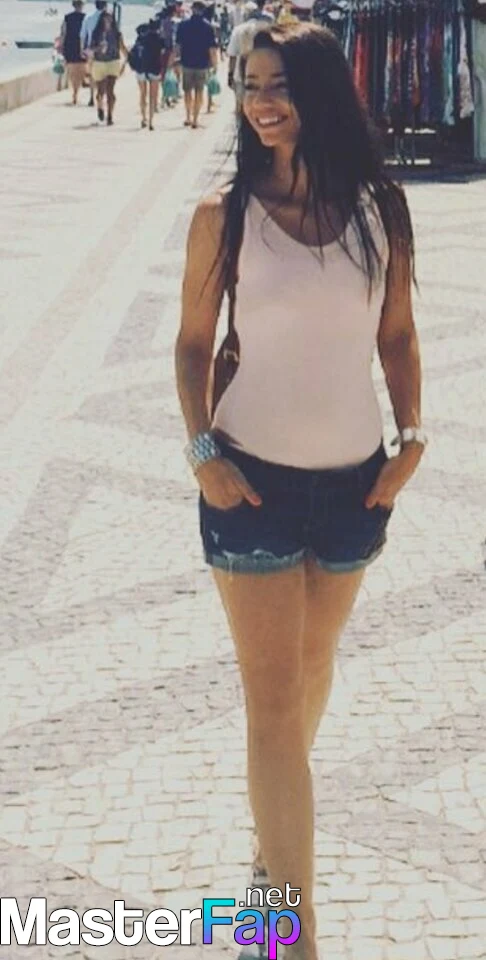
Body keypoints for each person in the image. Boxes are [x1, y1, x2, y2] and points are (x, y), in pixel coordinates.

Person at [175, 21, 426, 960]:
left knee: (313, 675)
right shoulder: (224, 214)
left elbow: (397, 334)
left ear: (322, 91)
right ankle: (291, 928)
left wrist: (411, 437)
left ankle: (271, 841)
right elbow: (193, 344)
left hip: (357, 487)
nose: (261, 103)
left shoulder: (380, 209)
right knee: (275, 702)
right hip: (251, 484)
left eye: (279, 85)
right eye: (250, 85)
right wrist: (203, 450)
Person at [176, 0, 218, 128]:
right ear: (203, 11)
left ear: (192, 9)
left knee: (187, 91)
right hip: (202, 64)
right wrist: (215, 64)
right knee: (199, 91)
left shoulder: (183, 25)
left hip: (187, 63)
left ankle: (188, 116)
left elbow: (178, 46)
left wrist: (175, 60)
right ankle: (195, 119)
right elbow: (212, 49)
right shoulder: (208, 27)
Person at [227, 0, 273, 100]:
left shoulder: (238, 30)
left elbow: (232, 55)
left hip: (241, 75)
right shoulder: (269, 28)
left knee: (241, 105)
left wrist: (230, 74)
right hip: (265, 76)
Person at [88, 9, 128, 125]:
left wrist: (128, 59)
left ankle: (110, 116)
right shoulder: (96, 33)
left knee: (110, 91)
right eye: (105, 17)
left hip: (113, 63)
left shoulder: (117, 34)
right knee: (100, 91)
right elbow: (91, 48)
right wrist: (99, 48)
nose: (107, 20)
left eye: (109, 17)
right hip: (99, 63)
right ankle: (100, 106)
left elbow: (122, 47)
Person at [131, 19, 165, 129]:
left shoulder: (142, 39)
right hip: (155, 69)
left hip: (142, 68)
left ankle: (143, 118)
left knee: (143, 94)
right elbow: (162, 54)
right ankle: (151, 121)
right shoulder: (160, 39)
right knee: (153, 96)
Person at [80, 0, 107, 106]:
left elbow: (82, 35)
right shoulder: (108, 17)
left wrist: (81, 50)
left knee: (92, 74)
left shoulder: (88, 17)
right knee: (103, 74)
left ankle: (91, 97)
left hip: (91, 50)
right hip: (104, 49)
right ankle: (101, 95)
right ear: (105, 5)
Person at [60, 0, 86, 105]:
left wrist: (61, 46)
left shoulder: (67, 17)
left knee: (72, 71)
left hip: (69, 46)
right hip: (81, 47)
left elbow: (63, 33)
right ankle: (76, 92)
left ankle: (75, 93)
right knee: (80, 72)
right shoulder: (86, 18)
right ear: (82, 5)